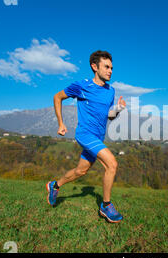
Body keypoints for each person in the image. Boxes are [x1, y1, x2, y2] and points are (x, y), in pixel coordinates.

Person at [47, 50, 126, 223]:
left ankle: (55, 185)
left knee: (81, 170)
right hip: (84, 134)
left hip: (98, 137)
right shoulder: (82, 86)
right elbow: (57, 97)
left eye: (111, 67)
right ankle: (106, 205)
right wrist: (61, 123)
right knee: (112, 164)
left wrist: (118, 109)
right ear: (94, 67)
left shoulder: (110, 91)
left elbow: (109, 116)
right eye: (106, 67)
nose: (110, 70)